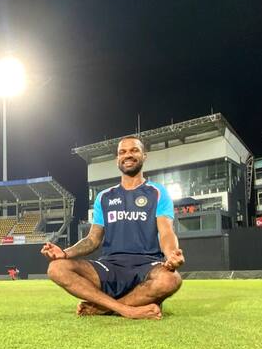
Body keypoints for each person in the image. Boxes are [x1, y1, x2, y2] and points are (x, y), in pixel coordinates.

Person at [41, 136, 184, 320]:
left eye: (134, 150)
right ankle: (128, 309)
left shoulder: (157, 192)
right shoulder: (104, 197)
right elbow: (92, 240)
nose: (128, 155)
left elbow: (166, 232)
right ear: (117, 159)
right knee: (56, 268)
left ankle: (104, 308)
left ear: (144, 156)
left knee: (171, 279)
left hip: (147, 265)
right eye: (122, 152)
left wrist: (172, 254)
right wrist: (65, 253)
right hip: (110, 266)